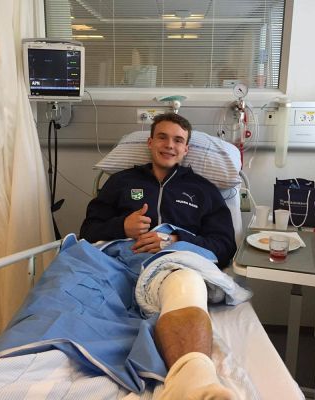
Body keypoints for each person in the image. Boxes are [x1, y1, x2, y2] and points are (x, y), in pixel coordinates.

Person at [80, 113, 238, 399]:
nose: (169, 145)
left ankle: (194, 380)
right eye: (162, 137)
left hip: (172, 268)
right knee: (64, 279)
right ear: (150, 142)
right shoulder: (120, 182)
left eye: (178, 140)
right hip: (113, 266)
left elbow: (225, 246)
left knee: (187, 282)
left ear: (186, 149)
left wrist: (177, 239)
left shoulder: (204, 191)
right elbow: (88, 232)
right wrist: (122, 226)